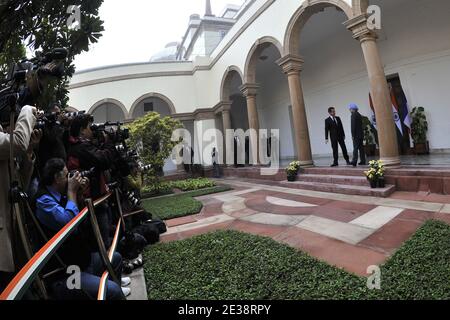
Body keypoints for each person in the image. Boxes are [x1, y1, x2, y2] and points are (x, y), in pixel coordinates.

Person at [35, 158, 130, 300]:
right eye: (67, 175)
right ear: (56, 178)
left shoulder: (62, 195)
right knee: (113, 291)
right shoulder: (43, 201)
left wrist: (79, 194)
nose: (71, 179)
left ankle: (100, 289)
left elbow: (83, 223)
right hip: (66, 273)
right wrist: (72, 192)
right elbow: (69, 225)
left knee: (115, 258)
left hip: (81, 261)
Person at [0, 105, 37, 288]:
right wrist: (28, 110)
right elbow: (18, 143)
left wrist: (29, 152)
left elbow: (19, 184)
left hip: (14, 230)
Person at [66, 114, 117, 246]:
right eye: (89, 127)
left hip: (94, 200)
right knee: (103, 242)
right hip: (93, 202)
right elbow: (104, 160)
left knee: (105, 238)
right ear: (82, 130)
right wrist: (109, 142)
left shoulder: (77, 146)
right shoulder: (82, 147)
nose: (92, 130)